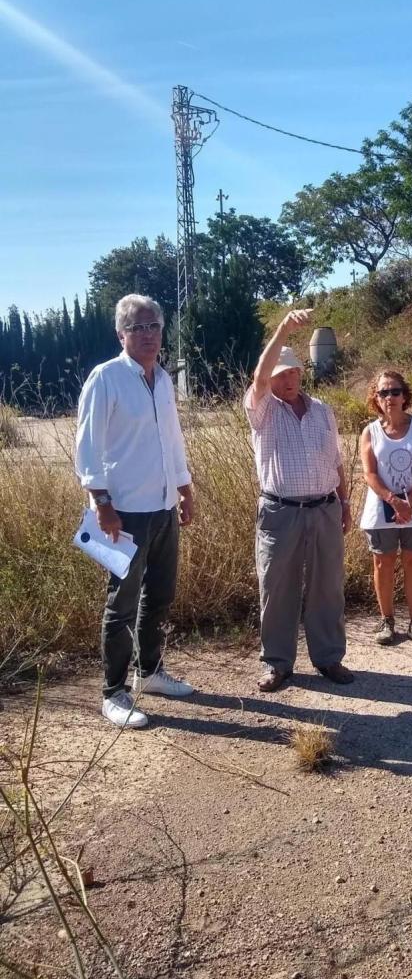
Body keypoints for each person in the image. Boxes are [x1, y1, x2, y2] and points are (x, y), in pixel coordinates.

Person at [75, 294, 195, 729]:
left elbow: (173, 440)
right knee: (121, 604)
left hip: (163, 506)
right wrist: (102, 504)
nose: (148, 335)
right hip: (125, 512)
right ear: (121, 334)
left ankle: (150, 673)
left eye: (155, 326)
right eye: (139, 327)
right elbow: (88, 448)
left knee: (159, 596)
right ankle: (113, 692)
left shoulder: (162, 379)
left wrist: (185, 489)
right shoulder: (105, 378)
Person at [245, 309, 354, 691]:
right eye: (279, 374)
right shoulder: (262, 411)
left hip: (325, 508)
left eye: (291, 372)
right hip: (281, 512)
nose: (286, 379)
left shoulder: (323, 410)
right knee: (277, 589)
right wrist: (283, 330)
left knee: (328, 587)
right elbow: (259, 378)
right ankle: (277, 663)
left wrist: (345, 500)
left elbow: (336, 459)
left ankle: (329, 658)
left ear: (300, 373)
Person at [359, 370, 412, 648]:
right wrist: (393, 501)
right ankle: (387, 621)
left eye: (395, 391)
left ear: (405, 395)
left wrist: (410, 502)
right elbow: (369, 473)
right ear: (376, 398)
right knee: (383, 564)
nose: (390, 397)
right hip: (382, 510)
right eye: (383, 392)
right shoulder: (369, 432)